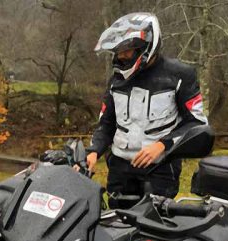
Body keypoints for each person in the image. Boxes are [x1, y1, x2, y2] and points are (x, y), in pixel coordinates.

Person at [85, 13, 209, 209]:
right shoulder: (116, 80)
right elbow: (106, 125)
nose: (120, 56)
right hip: (120, 170)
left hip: (160, 170)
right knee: (115, 228)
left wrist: (162, 145)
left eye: (127, 50)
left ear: (147, 46)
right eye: (118, 51)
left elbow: (196, 124)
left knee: (155, 231)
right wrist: (93, 152)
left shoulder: (180, 75)